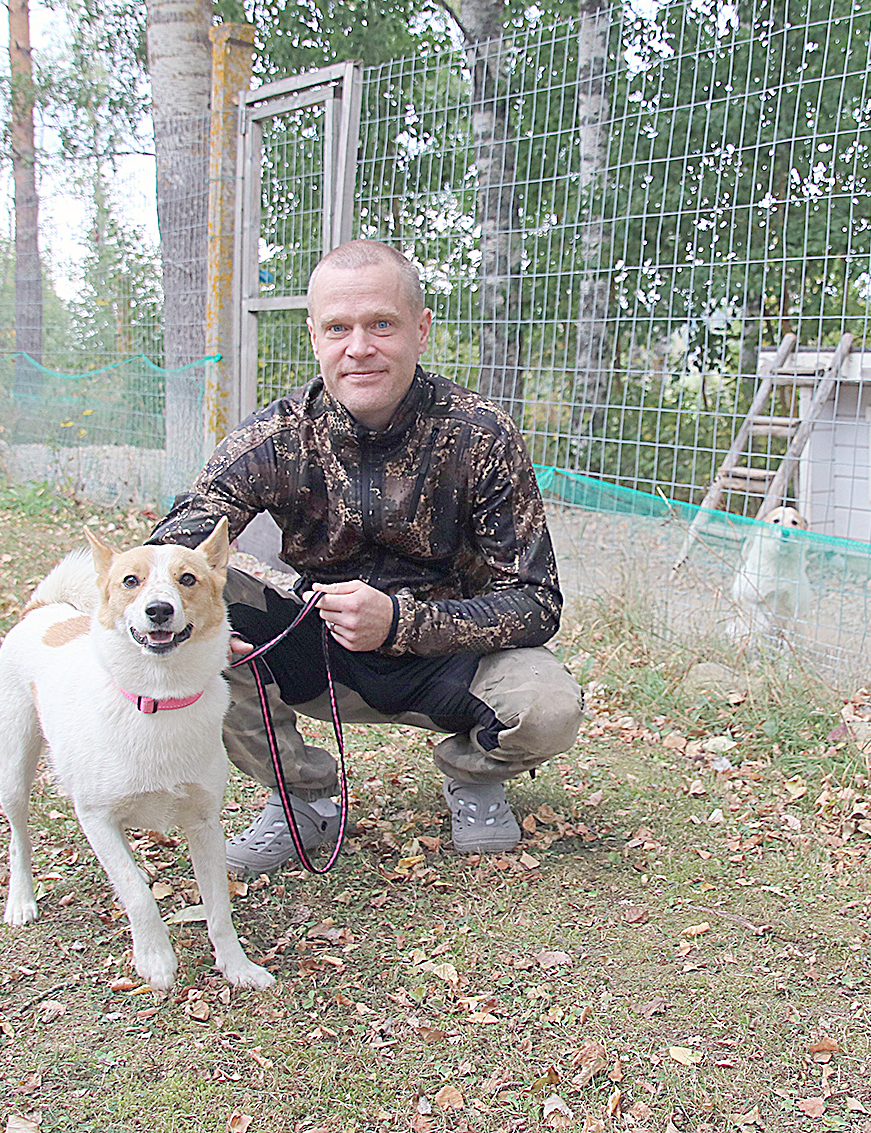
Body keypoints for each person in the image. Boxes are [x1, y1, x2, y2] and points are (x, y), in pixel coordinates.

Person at [148, 238, 582, 873]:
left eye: (381, 323)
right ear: (314, 335)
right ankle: (301, 799)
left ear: (421, 328)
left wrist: (402, 622)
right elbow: (179, 541)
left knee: (549, 710)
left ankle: (472, 774)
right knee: (189, 616)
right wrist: (194, 617)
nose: (359, 348)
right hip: (317, 649)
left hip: (448, 659)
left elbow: (537, 603)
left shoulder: (481, 435)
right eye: (338, 328)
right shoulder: (275, 436)